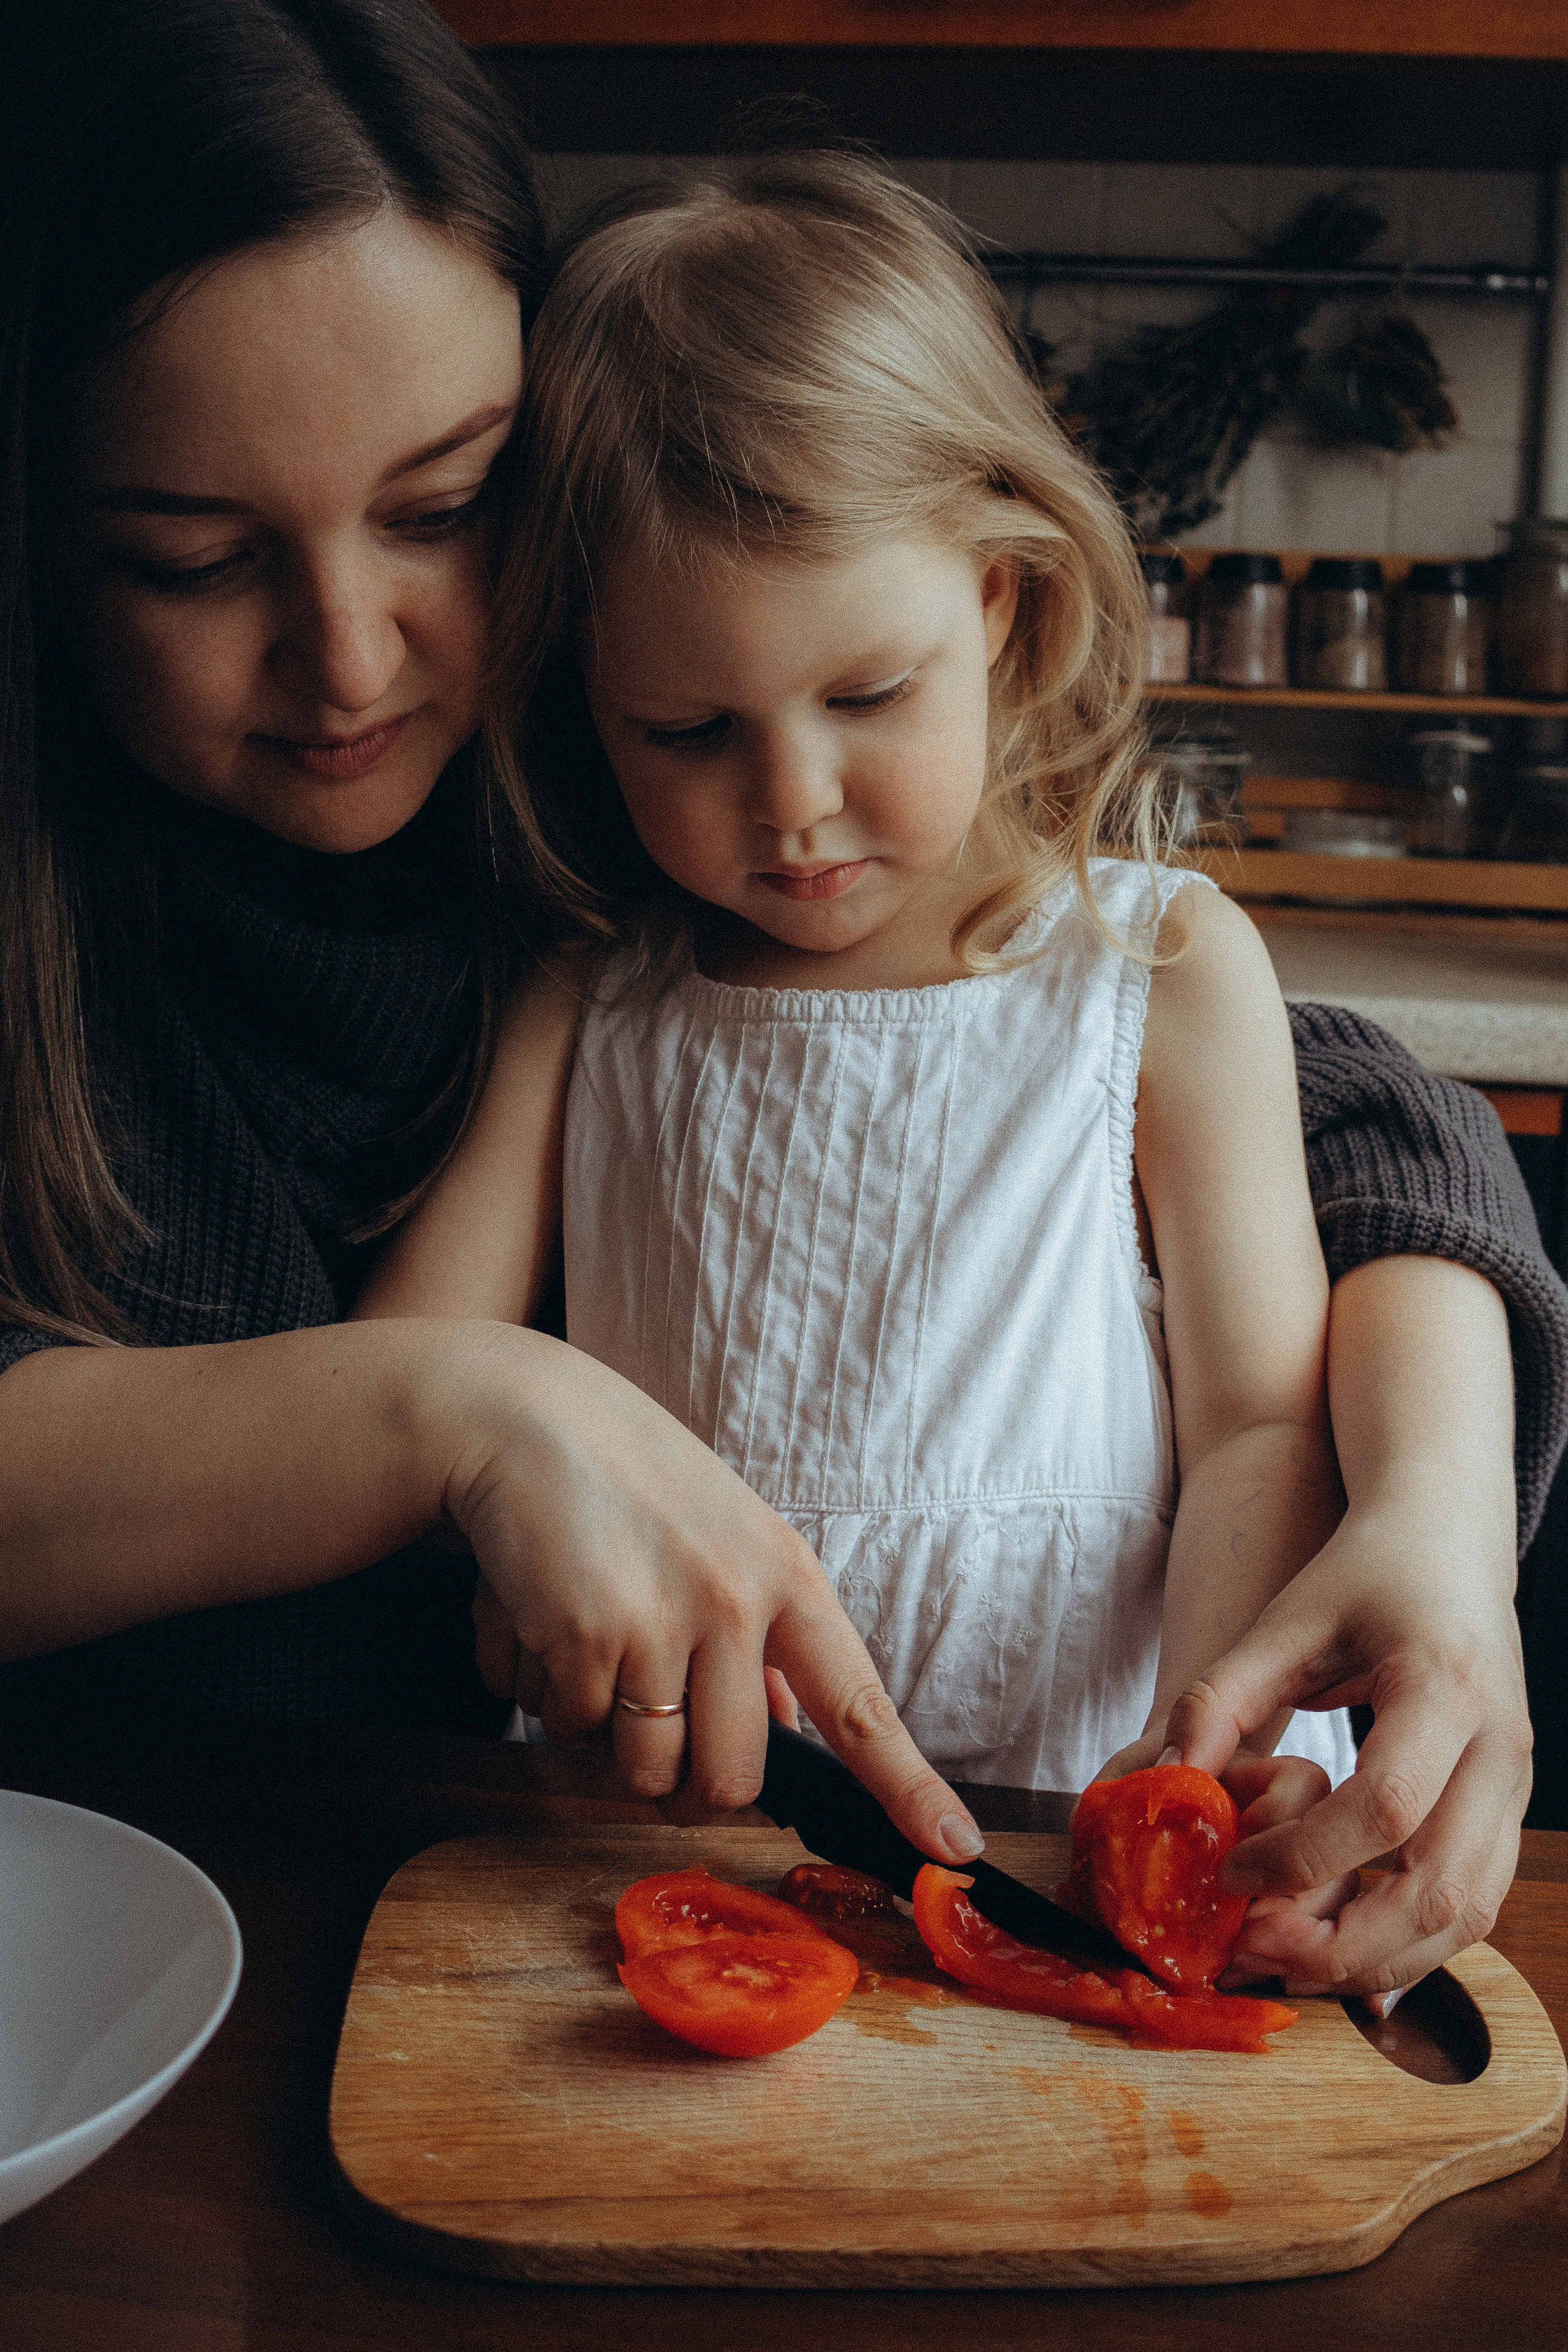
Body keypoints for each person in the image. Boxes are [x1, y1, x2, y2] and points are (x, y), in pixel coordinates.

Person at [0, 5, 1557, 2007]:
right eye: (191, 555)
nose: (350, 656)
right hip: (196, 1954)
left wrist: (1427, 1511)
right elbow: (424, 1364)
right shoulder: (607, 950)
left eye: (443, 503)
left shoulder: (627, 852)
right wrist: (445, 1435)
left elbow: (1346, 1131)